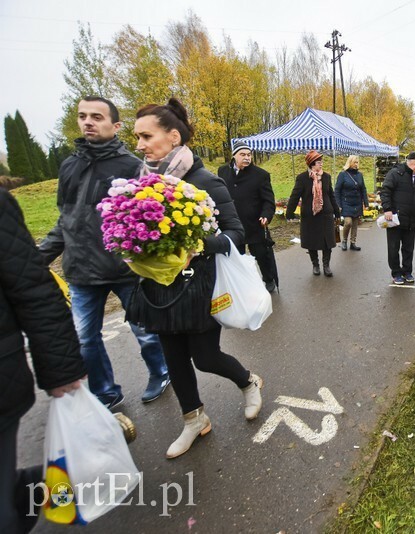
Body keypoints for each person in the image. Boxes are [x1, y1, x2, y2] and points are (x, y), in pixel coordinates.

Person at [128, 98, 262, 459]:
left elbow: (236, 233)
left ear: (172, 136)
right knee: (173, 358)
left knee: (204, 357)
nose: (139, 145)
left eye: (145, 136)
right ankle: (194, 420)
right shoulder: (141, 187)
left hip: (199, 288)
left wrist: (199, 245)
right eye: (136, 137)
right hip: (159, 290)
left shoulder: (204, 182)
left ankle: (249, 382)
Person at [38, 96, 169, 410]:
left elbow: (151, 217)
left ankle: (161, 372)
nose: (88, 122)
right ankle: (106, 392)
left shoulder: (130, 167)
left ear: (115, 125)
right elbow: (65, 219)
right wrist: (38, 257)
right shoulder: (70, 166)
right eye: (83, 116)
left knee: (146, 331)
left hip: (124, 269)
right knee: (85, 339)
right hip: (81, 272)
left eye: (97, 116)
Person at [1, 189, 85, 534]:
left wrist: (60, 368)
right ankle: (39, 484)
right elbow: (66, 219)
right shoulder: (72, 171)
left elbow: (33, 289)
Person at [218, 141, 278, 292]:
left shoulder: (261, 175)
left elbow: (268, 201)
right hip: (232, 225)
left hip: (255, 225)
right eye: (242, 154)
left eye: (249, 155)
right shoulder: (222, 171)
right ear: (234, 156)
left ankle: (268, 279)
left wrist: (266, 215)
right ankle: (243, 286)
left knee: (262, 256)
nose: (247, 158)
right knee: (237, 259)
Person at [286, 151, 340, 276]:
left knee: (327, 242)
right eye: (318, 162)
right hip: (310, 216)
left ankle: (326, 265)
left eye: (321, 162)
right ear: (311, 164)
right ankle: (315, 265)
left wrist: (336, 211)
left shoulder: (326, 177)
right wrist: (289, 212)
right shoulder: (302, 178)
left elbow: (331, 195)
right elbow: (295, 196)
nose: (321, 164)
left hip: (326, 214)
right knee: (312, 241)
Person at [380, 152, 415, 285]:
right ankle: (396, 273)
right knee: (393, 247)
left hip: (411, 219)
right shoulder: (395, 173)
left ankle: (407, 271)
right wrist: (387, 209)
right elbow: (385, 191)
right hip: (395, 218)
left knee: (408, 248)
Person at [335, 155, 369, 251]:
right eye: (355, 162)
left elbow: (363, 189)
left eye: (357, 162)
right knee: (348, 222)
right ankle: (344, 241)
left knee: (355, 224)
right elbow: (337, 190)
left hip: (357, 202)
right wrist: (338, 204)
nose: (356, 164)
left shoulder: (360, 175)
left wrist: (366, 203)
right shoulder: (343, 174)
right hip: (346, 202)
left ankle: (353, 243)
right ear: (350, 162)